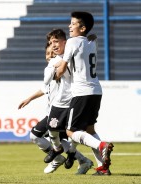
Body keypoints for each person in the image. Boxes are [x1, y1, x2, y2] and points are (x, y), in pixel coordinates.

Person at [18, 32, 92, 174]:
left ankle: (60, 157)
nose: (50, 56)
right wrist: (29, 99)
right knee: (60, 139)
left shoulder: (61, 66)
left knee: (39, 135)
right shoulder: (51, 69)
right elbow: (44, 88)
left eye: (52, 53)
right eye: (48, 53)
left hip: (65, 107)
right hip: (54, 109)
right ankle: (82, 160)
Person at [53, 11, 114, 175]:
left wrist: (55, 73)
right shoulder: (92, 41)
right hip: (96, 90)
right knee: (89, 130)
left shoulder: (72, 42)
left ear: (83, 27)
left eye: (73, 24)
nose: (69, 26)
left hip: (81, 92)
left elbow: (62, 68)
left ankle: (102, 146)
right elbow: (90, 39)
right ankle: (103, 168)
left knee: (71, 132)